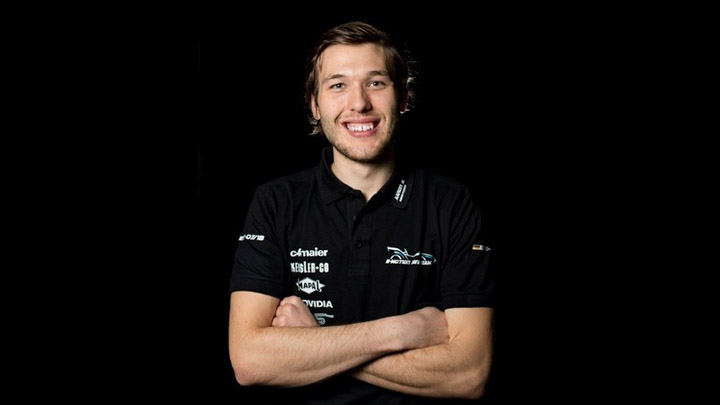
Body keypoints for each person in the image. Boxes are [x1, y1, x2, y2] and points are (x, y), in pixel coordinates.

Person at [228, 21, 494, 403]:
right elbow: (250, 361)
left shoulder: (451, 204)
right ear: (315, 105)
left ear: (402, 96)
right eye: (338, 85)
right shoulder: (276, 202)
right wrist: (403, 331)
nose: (358, 103)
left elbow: (469, 374)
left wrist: (312, 342)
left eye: (376, 82)